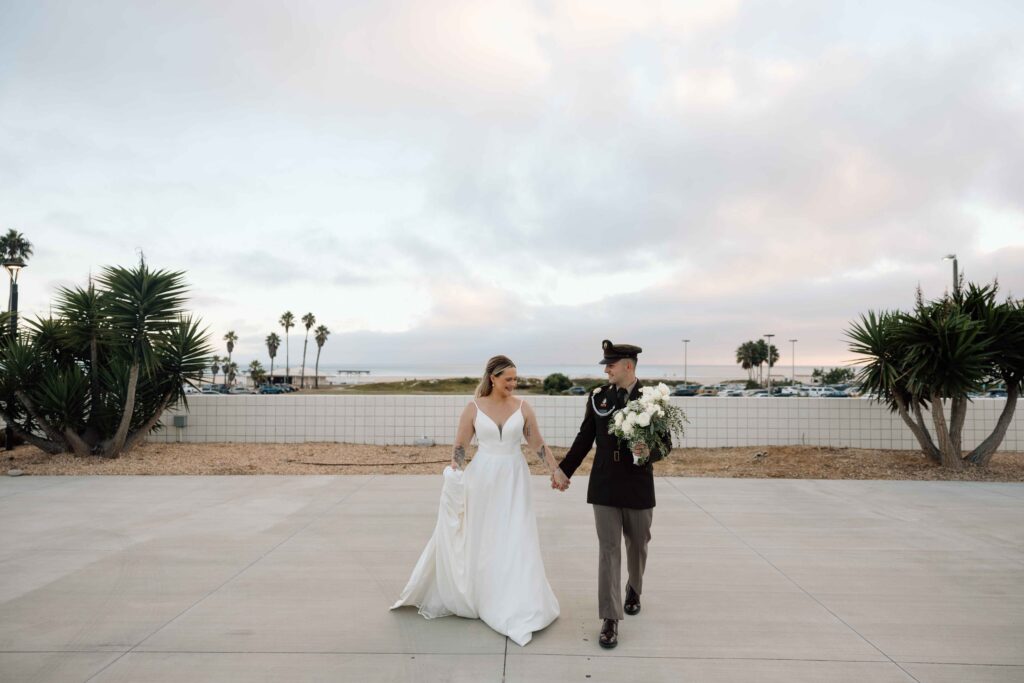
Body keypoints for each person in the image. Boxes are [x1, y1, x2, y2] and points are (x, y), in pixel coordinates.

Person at [391, 355, 563, 646]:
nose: (513, 383)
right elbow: (460, 448)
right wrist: (454, 475)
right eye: (508, 378)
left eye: (515, 378)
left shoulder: (522, 408)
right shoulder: (473, 408)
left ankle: (514, 597)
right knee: (482, 534)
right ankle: (483, 592)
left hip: (513, 478)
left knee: (515, 535)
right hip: (481, 478)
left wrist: (555, 470)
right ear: (492, 378)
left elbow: (538, 444)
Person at [551, 340, 671, 649]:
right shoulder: (598, 398)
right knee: (608, 550)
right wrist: (565, 469)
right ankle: (610, 618)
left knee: (639, 543)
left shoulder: (652, 399)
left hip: (638, 484)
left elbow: (666, 444)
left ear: (628, 366)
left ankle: (634, 587)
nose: (606, 369)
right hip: (604, 483)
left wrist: (648, 452)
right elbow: (584, 438)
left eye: (611, 364)